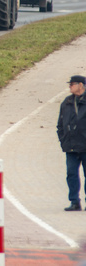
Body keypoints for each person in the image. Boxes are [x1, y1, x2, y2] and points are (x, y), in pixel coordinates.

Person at [57, 75, 86, 211]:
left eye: (72, 84)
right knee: (71, 174)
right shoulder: (67, 102)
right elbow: (60, 125)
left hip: (85, 146)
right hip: (71, 146)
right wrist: (63, 140)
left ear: (81, 85)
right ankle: (74, 201)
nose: (70, 86)